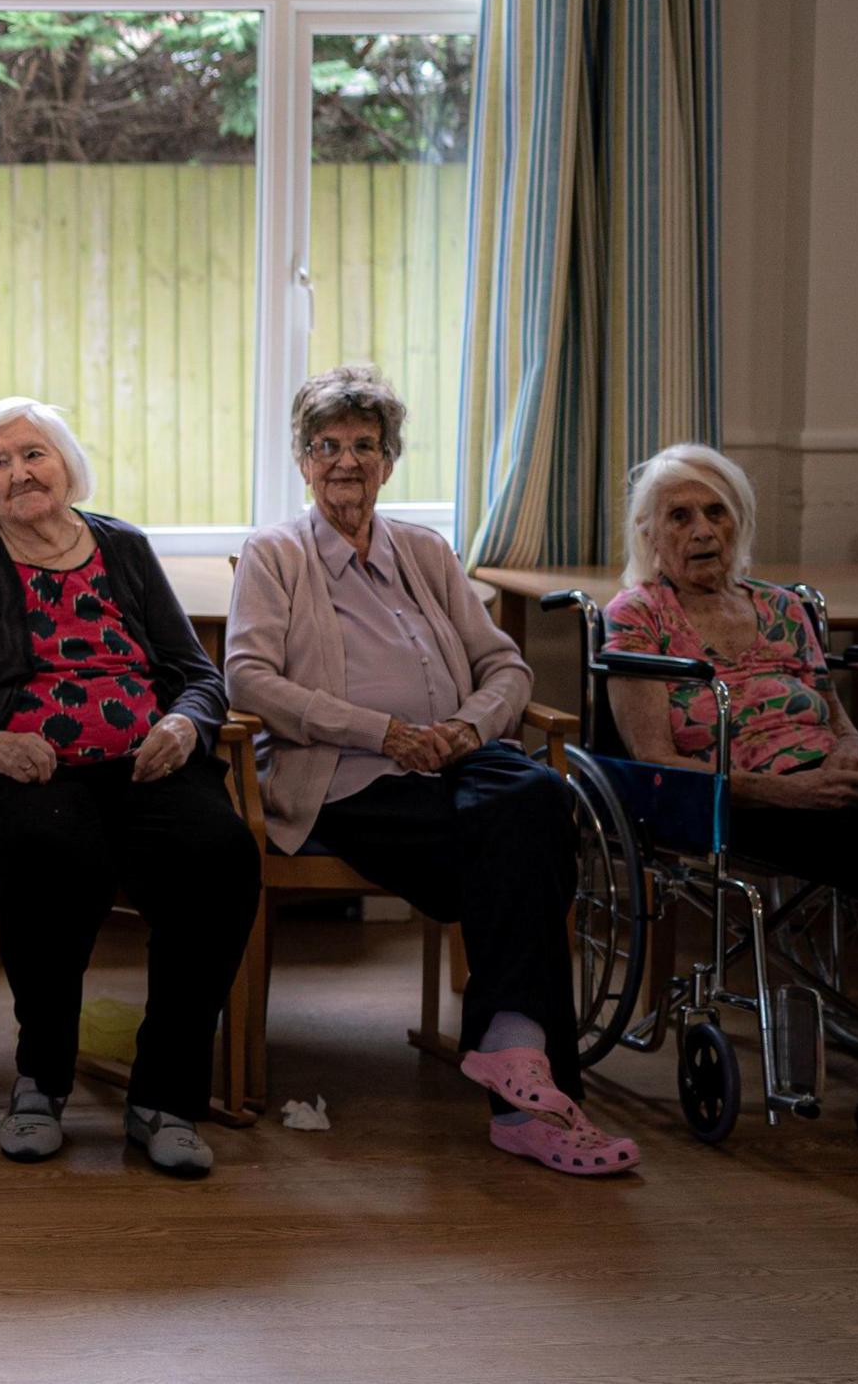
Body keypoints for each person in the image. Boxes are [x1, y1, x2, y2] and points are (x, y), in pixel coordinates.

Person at [226, 364, 639, 1176]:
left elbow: (508, 667)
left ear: (389, 460)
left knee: (534, 798)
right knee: (527, 837)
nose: (347, 461)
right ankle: (528, 1076)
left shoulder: (424, 549)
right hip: (345, 780)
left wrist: (459, 729)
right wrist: (380, 732)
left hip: (455, 765)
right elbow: (249, 681)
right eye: (328, 446)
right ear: (304, 460)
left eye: (365, 446)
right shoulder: (276, 554)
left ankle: (517, 1066)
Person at [0, 398, 256, 1175]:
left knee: (221, 852)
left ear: (66, 461)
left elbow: (196, 674)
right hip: (22, 770)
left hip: (142, 765)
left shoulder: (123, 545)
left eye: (33, 454)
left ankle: (166, 1095)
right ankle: (40, 1079)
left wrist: (184, 724)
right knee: (57, 851)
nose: (18, 472)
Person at [603, 442, 858, 1153]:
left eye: (717, 512)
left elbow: (832, 712)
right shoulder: (636, 617)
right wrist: (790, 791)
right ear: (649, 534)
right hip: (748, 805)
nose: (703, 530)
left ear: (740, 524)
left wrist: (853, 745)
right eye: (680, 515)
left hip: (838, 778)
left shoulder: (783, 606)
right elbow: (657, 760)